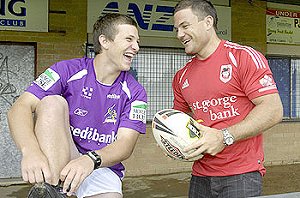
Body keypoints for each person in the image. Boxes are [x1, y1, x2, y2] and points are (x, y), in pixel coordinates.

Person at [7, 13, 147, 198]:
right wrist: (30, 151)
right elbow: (20, 107)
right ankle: (54, 189)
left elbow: (125, 144)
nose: (136, 47)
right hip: (61, 157)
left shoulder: (135, 91)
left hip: (100, 164)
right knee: (51, 102)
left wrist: (91, 159)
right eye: (129, 39)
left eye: (137, 41)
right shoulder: (66, 70)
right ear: (104, 41)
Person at [172, 0, 283, 197]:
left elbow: (273, 110)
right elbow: (179, 120)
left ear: (208, 22)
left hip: (241, 175)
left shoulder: (243, 57)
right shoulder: (182, 76)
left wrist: (224, 137)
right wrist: (172, 141)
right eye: (177, 29)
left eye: (185, 26)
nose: (179, 34)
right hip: (200, 175)